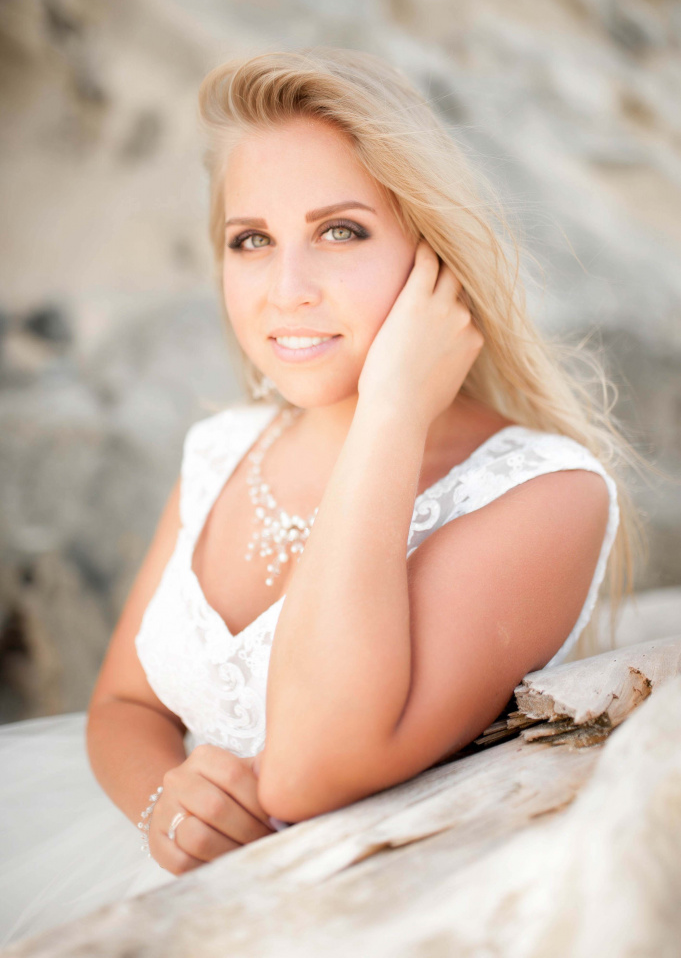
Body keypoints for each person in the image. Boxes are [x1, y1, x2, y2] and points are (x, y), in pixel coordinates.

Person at [0, 47, 647, 946]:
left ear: (431, 252)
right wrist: (163, 805)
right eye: (251, 239)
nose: (286, 290)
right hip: (134, 883)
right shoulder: (225, 447)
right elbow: (123, 706)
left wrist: (391, 414)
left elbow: (306, 773)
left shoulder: (546, 493)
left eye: (340, 232)